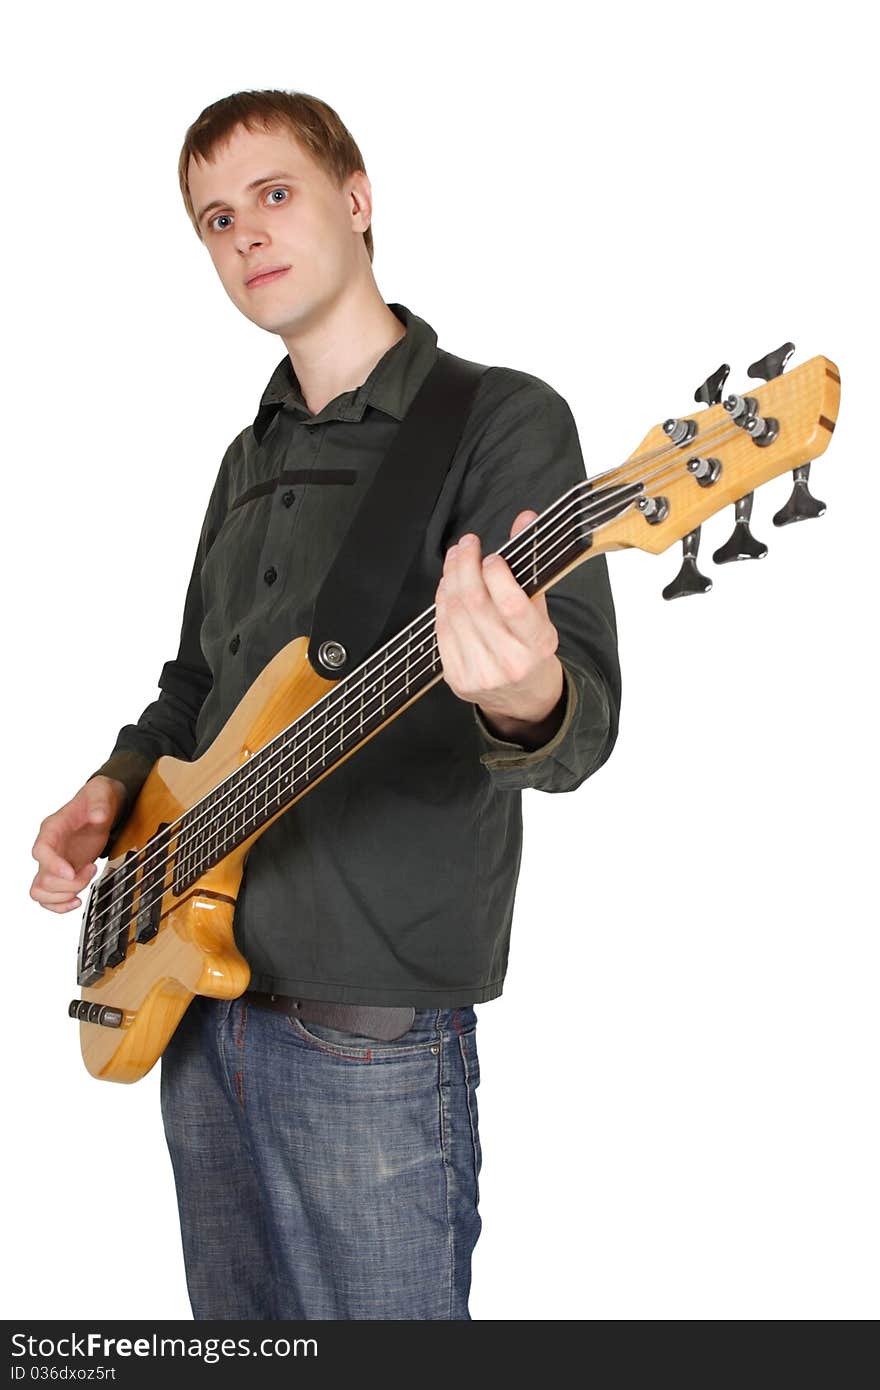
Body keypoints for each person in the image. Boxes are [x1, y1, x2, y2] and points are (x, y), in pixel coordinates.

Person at [30, 89, 621, 1320]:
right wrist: (109, 788)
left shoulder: (499, 418)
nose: (244, 232)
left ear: (356, 202)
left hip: (371, 1033)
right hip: (194, 1007)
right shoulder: (246, 458)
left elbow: (580, 725)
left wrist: (524, 697)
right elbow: (196, 685)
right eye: (213, 219)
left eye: (275, 194)